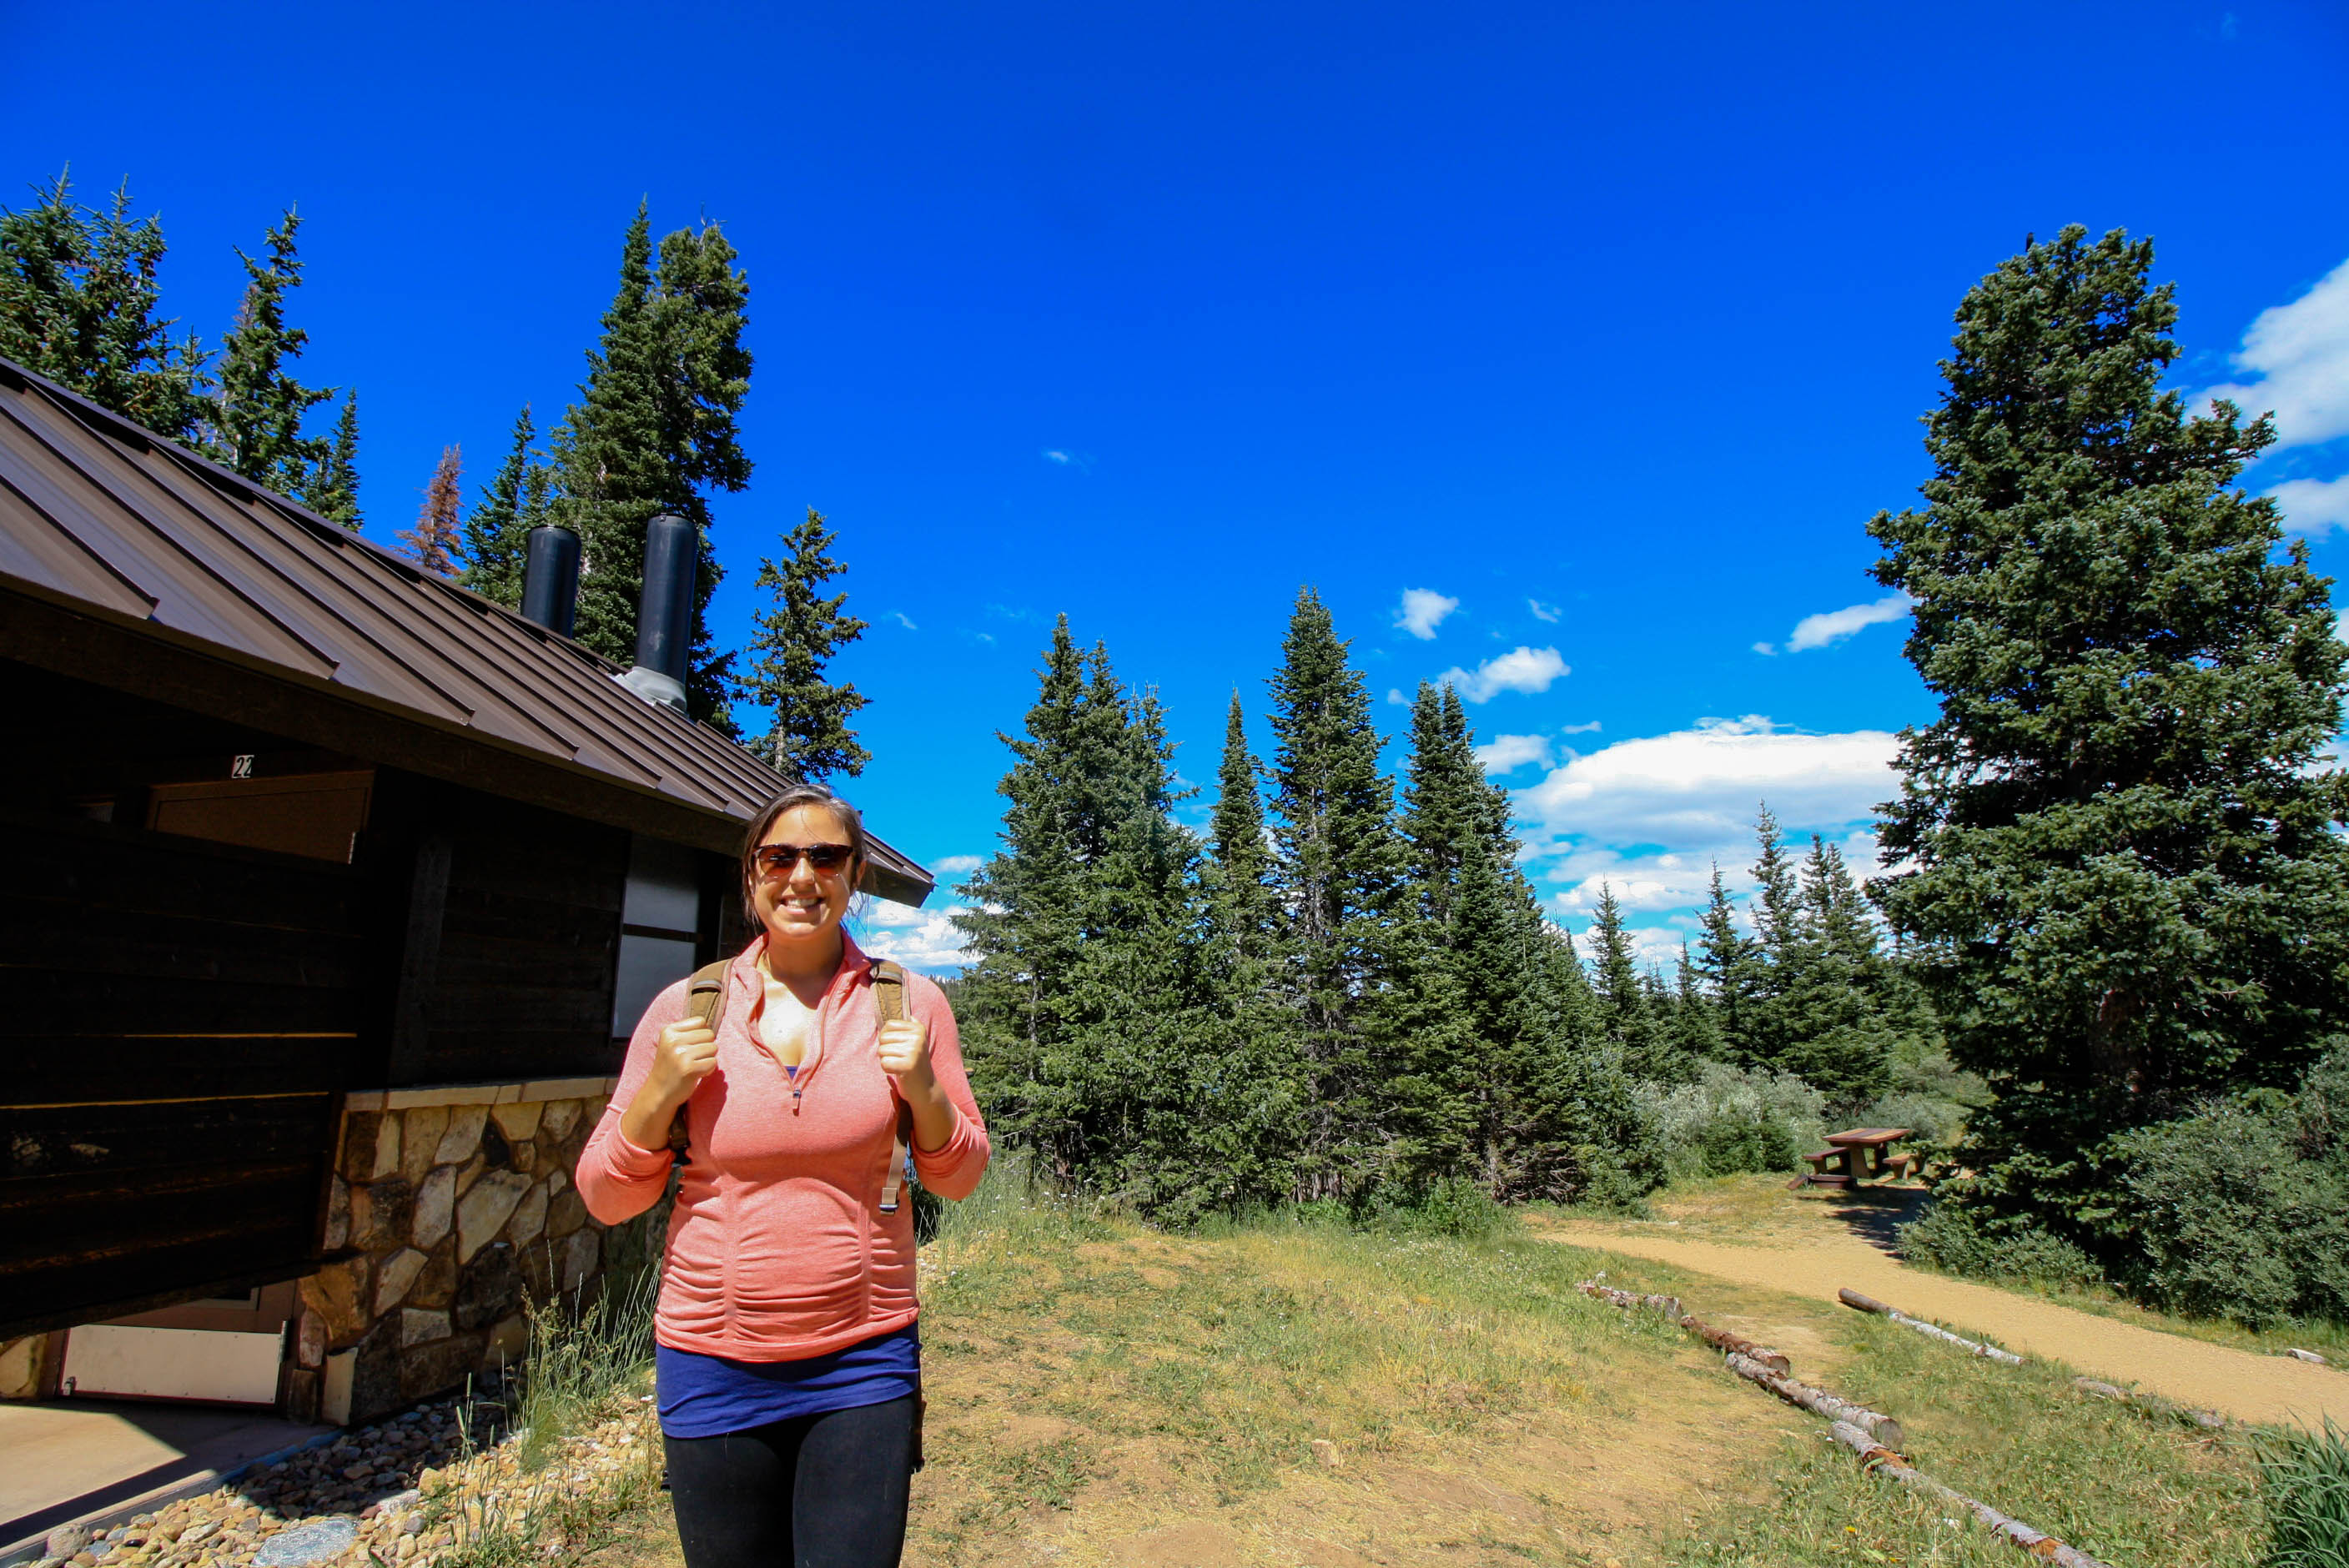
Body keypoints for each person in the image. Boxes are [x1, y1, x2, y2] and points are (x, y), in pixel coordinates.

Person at [577, 784, 988, 1568]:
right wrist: (660, 1093)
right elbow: (604, 1195)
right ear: (752, 875)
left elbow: (961, 1178)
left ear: (854, 875)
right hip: (711, 1359)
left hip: (864, 1361)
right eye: (780, 856)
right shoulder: (687, 1009)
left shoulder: (909, 1004)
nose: (803, 876)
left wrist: (926, 1092)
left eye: (826, 856)